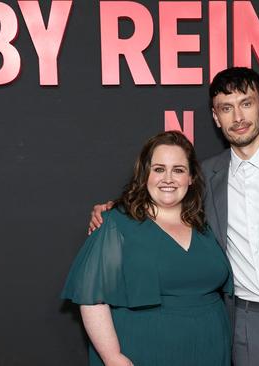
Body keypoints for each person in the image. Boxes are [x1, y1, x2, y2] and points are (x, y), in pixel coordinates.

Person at [90, 67, 259, 366]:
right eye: (227, 108)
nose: (238, 117)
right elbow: (164, 198)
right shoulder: (207, 176)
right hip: (245, 326)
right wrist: (114, 209)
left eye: (246, 103)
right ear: (216, 117)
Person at [62, 131, 233, 366]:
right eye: (159, 169)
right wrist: (112, 357)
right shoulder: (115, 224)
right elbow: (93, 299)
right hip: (143, 350)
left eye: (179, 170)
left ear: (191, 177)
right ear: (145, 175)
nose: (168, 178)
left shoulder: (205, 224)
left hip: (209, 348)